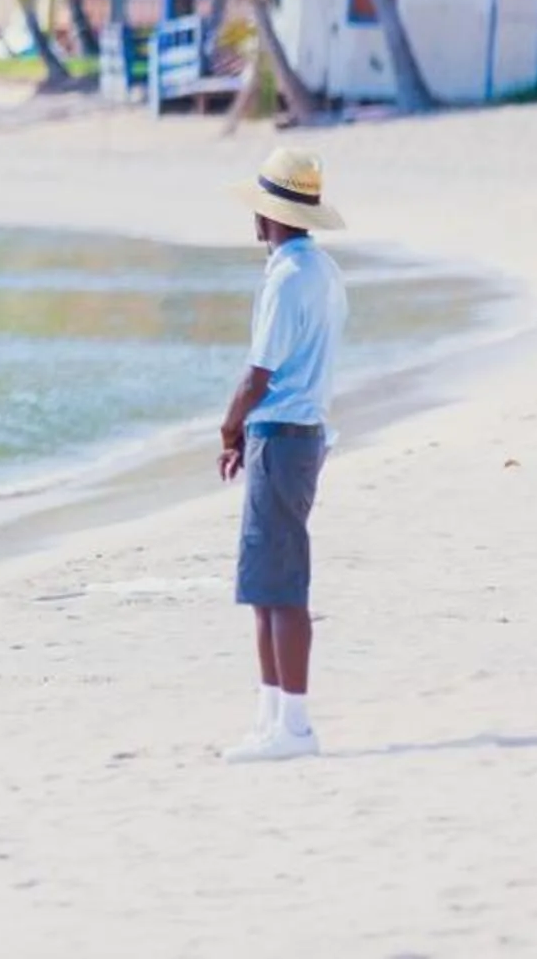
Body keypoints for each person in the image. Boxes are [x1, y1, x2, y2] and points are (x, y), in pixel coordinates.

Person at [217, 147, 349, 764]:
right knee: (265, 581)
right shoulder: (320, 270)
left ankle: (293, 725)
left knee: (281, 582)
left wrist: (229, 427)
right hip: (300, 433)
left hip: (284, 434)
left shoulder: (290, 277)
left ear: (266, 218)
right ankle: (272, 716)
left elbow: (259, 373)